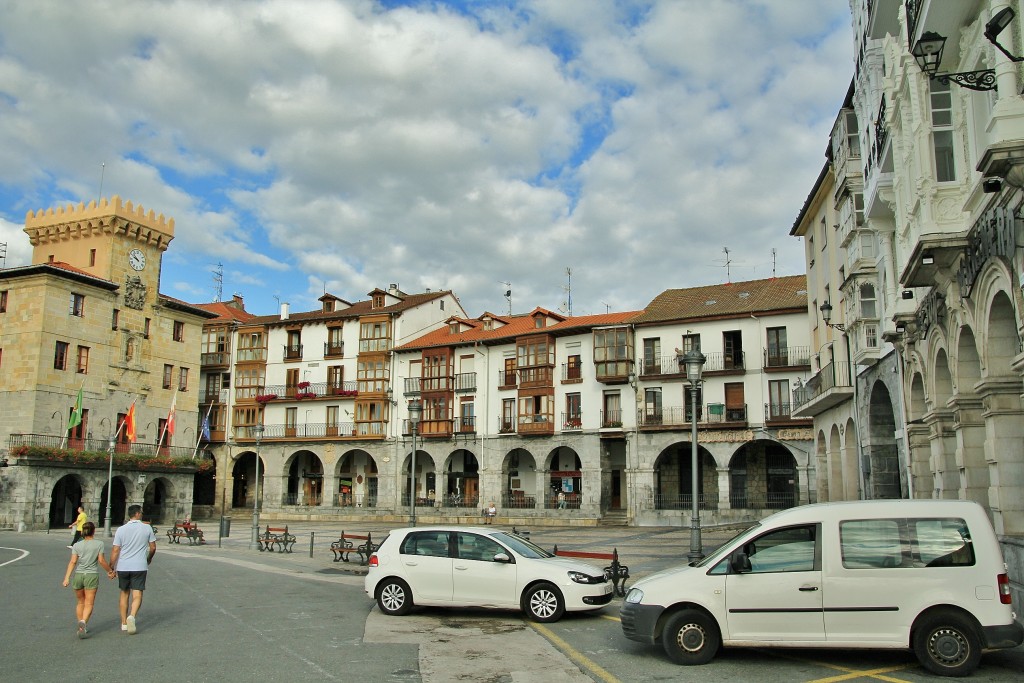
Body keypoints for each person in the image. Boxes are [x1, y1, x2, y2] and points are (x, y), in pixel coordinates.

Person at [109, 504, 157, 635]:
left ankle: (124, 622)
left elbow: (115, 550)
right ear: (137, 514)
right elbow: (153, 547)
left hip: (123, 566)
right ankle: (132, 616)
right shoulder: (147, 528)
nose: (141, 514)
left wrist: (111, 566)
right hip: (140, 566)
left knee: (124, 593)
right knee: (137, 594)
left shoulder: (121, 529)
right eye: (140, 512)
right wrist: (149, 558)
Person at [62, 521, 113, 639]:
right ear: (93, 531)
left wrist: (66, 578)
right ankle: (84, 622)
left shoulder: (77, 545)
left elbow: (73, 562)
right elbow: (101, 561)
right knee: (89, 603)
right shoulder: (99, 544)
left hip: (78, 575)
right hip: (91, 575)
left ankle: (81, 624)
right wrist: (110, 571)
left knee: (80, 602)